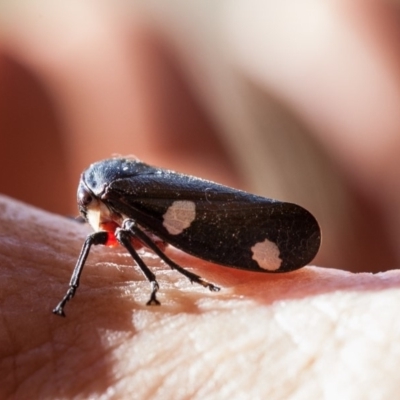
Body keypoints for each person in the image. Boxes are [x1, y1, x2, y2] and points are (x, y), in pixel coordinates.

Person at [1, 1, 400, 397]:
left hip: (205, 218)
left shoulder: (113, 195)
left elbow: (130, 236)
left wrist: (161, 281)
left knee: (120, 233)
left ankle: (181, 276)